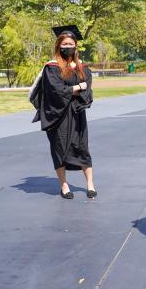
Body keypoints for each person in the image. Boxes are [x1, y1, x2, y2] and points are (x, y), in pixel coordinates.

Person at [29, 25, 96, 199]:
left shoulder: (82, 67)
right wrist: (77, 87)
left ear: (75, 46)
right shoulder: (52, 67)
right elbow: (56, 90)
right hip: (58, 115)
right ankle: (64, 186)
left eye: (71, 44)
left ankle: (90, 185)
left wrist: (77, 90)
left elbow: (87, 87)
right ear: (59, 46)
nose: (68, 47)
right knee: (59, 149)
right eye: (64, 44)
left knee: (82, 148)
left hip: (77, 114)